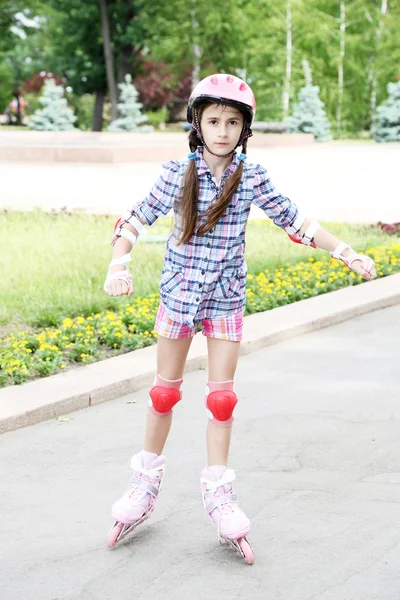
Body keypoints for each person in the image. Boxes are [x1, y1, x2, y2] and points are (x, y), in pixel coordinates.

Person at [103, 73, 376, 562]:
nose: (223, 130)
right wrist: (118, 264)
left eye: (232, 121)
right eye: (214, 120)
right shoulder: (175, 173)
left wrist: (347, 253)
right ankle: (143, 485)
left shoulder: (252, 176)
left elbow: (296, 220)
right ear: (197, 123)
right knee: (164, 392)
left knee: (222, 400)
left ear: (245, 128)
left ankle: (219, 495)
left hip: (225, 297)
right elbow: (135, 220)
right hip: (179, 294)